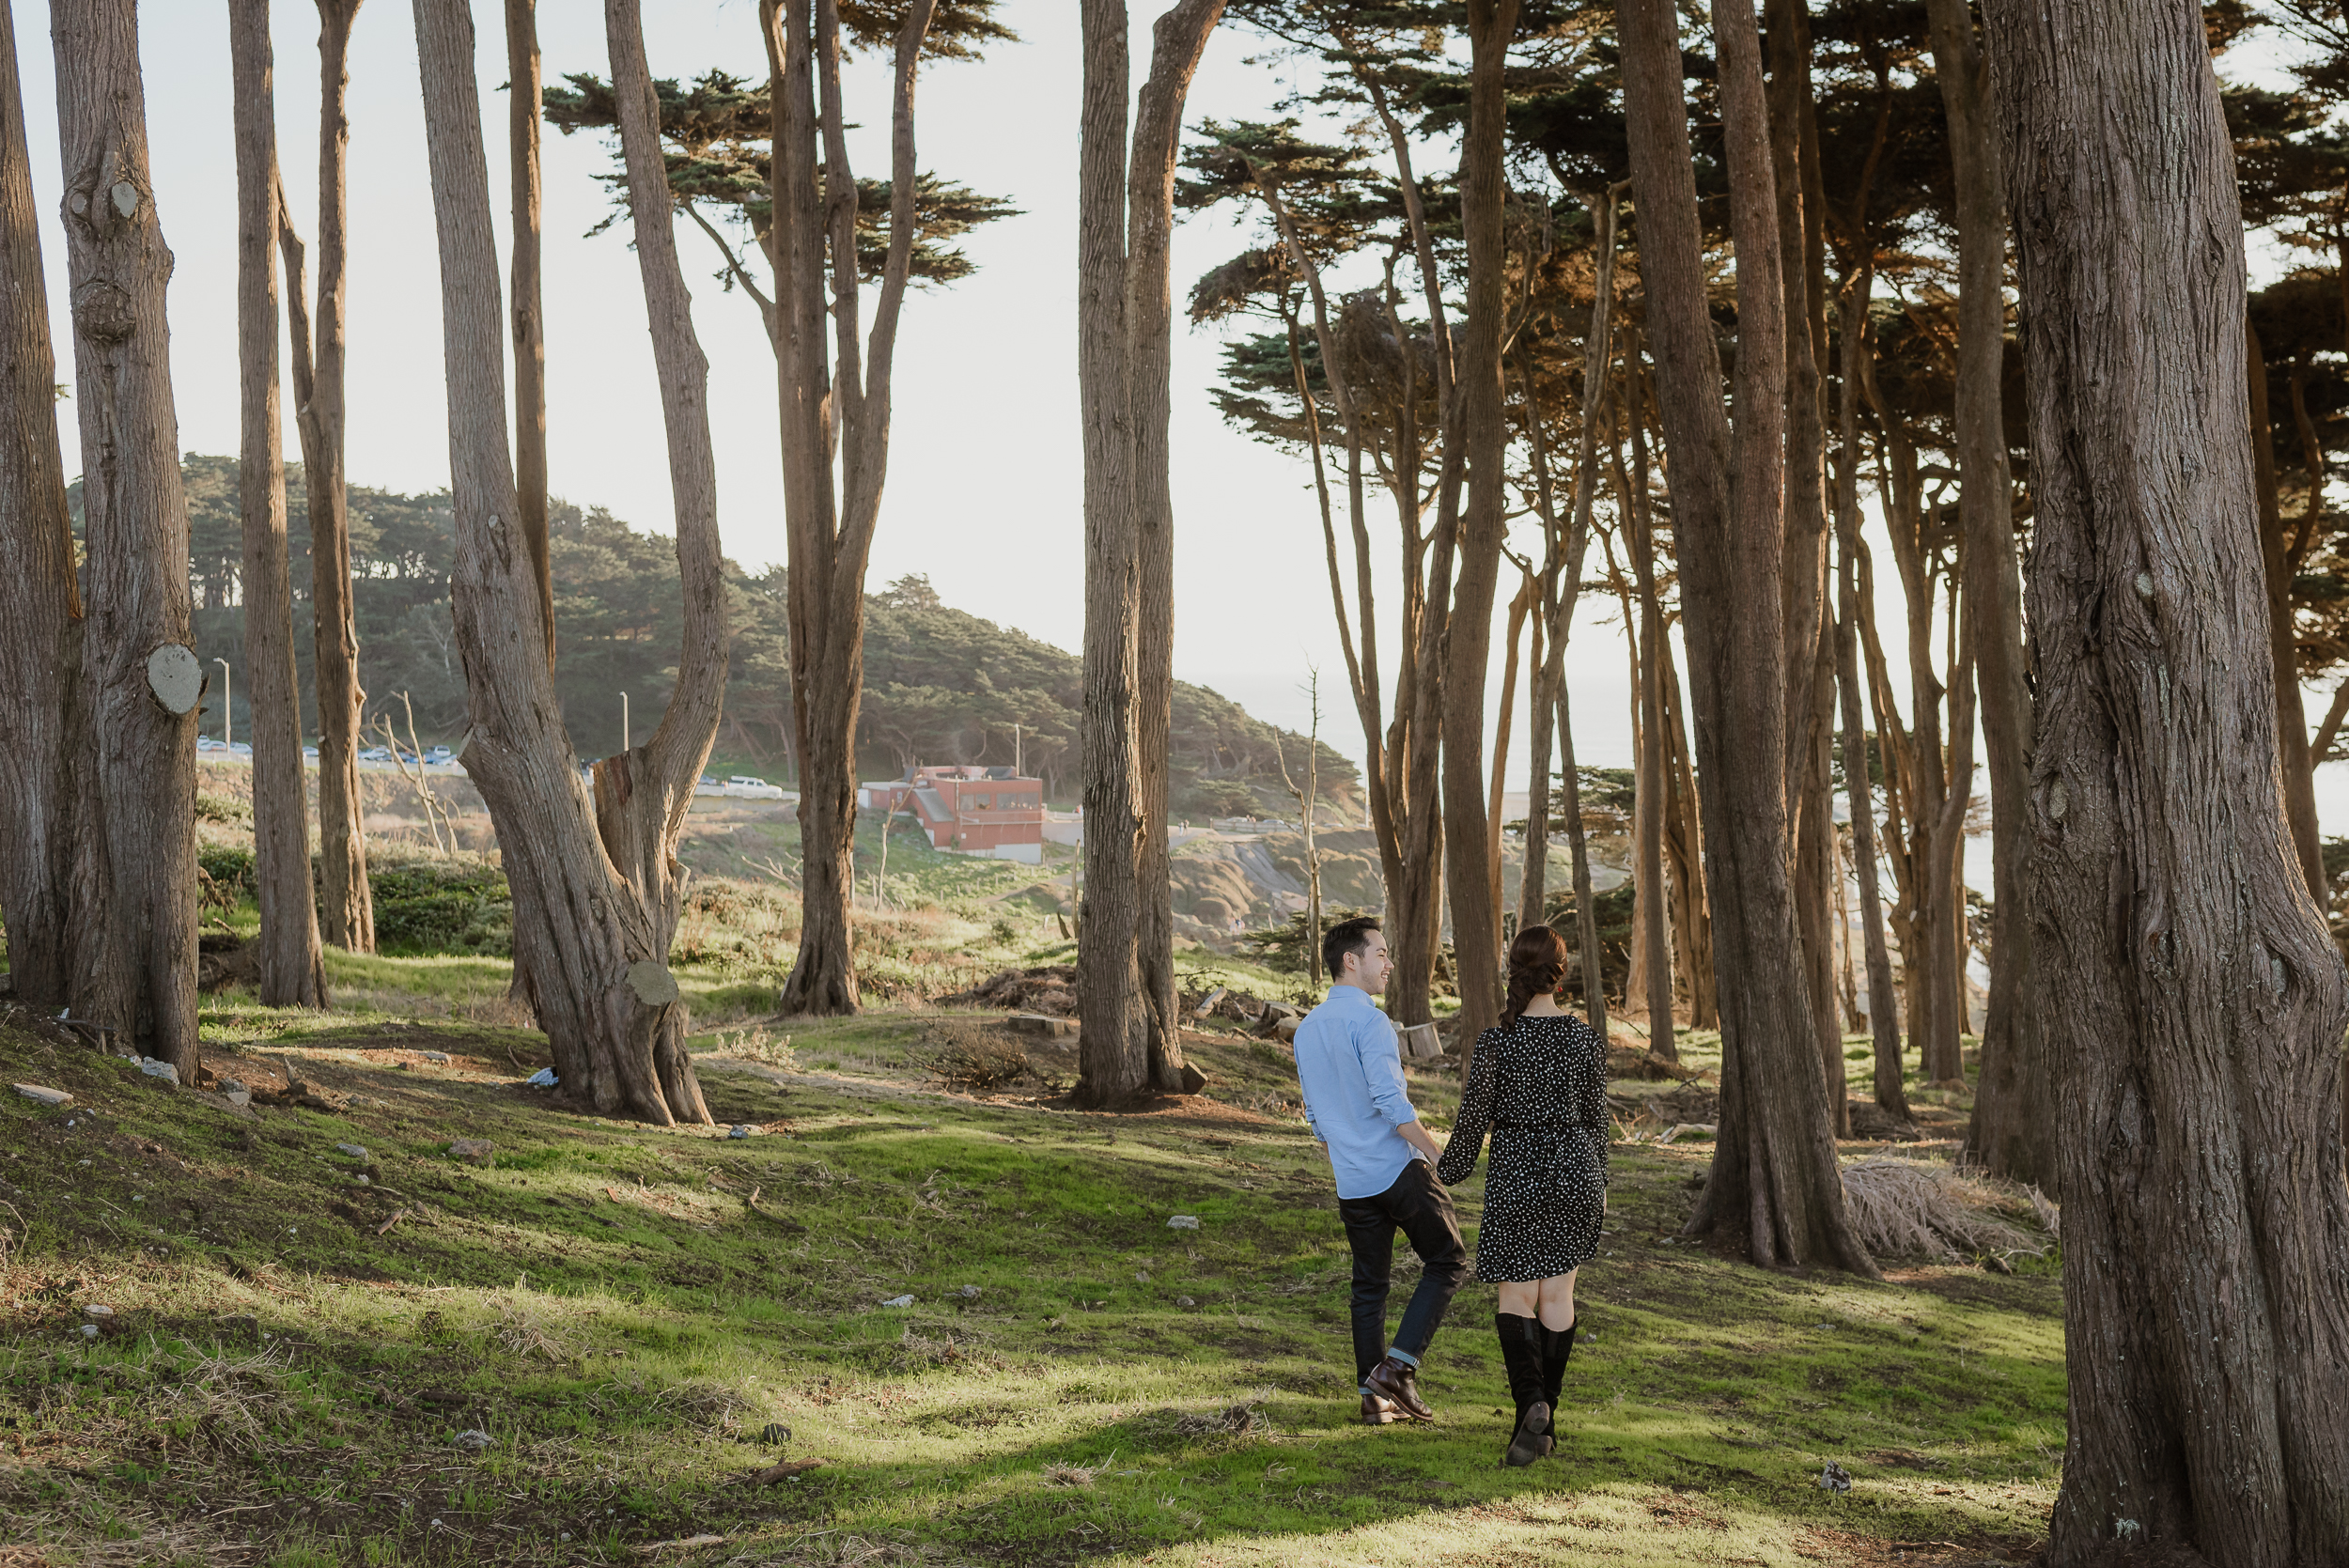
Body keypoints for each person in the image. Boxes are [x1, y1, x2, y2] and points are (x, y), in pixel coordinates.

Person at [1438, 923, 1610, 1467]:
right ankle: (1541, 1426)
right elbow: (1597, 1122)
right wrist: (1599, 1181)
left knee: (1517, 1299)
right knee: (1557, 1299)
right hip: (1576, 1169)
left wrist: (1447, 1169)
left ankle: (1532, 1402)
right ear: (1560, 975)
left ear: (1516, 969)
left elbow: (1473, 1122)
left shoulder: (1498, 1041)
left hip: (1519, 1170)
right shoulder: (1584, 1040)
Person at [1292, 915, 1469, 1426]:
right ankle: (1399, 1368)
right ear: (1352, 960)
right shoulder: (1369, 1022)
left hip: (1351, 1181)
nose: (1388, 964)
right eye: (1381, 954)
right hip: (1398, 1172)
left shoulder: (1307, 1028)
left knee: (1369, 1286)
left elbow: (1314, 1116)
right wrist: (1439, 1157)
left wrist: (1343, 1159)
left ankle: (1374, 1400)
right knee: (1449, 1261)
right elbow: (1392, 1103)